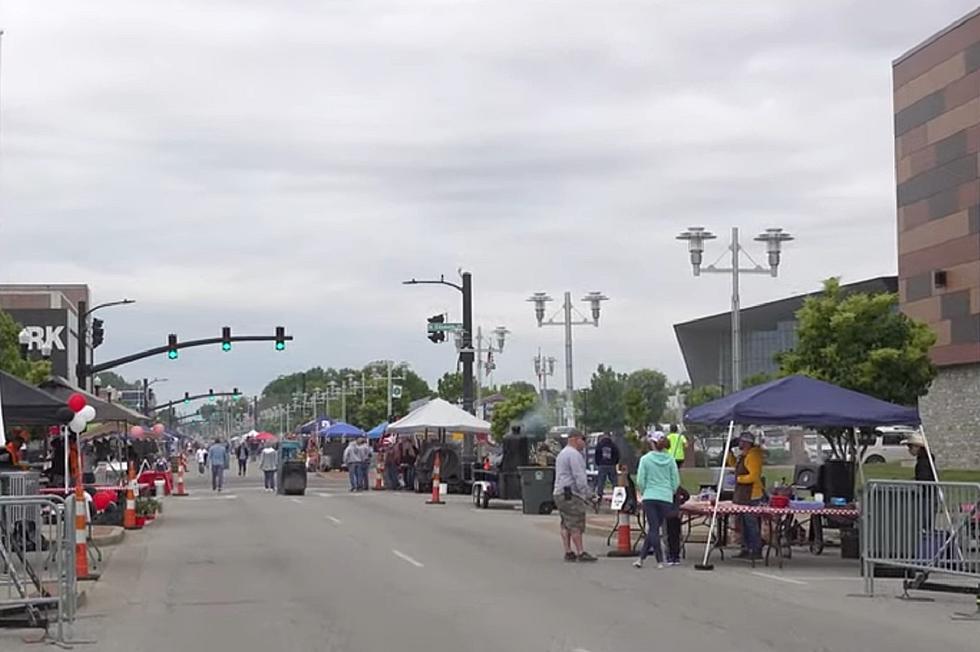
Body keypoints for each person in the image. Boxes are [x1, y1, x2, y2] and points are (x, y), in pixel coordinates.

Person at [633, 431, 682, 569]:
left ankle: (659, 559)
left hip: (650, 496)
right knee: (655, 528)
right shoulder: (671, 459)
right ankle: (641, 558)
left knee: (653, 528)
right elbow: (676, 480)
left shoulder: (645, 459)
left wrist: (643, 492)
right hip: (665, 497)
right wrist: (670, 491)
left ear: (652, 443)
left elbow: (640, 480)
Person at [552, 430, 597, 562]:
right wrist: (589, 495)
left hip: (559, 492)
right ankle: (580, 552)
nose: (584, 443)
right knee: (576, 522)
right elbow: (579, 477)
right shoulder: (574, 455)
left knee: (565, 523)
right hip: (570, 493)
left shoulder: (562, 454)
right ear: (575, 439)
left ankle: (568, 551)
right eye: (583, 439)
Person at [731, 431, 765, 559]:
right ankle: (745, 547)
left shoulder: (753, 456)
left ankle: (756, 549)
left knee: (752, 523)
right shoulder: (744, 455)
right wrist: (729, 453)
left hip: (752, 494)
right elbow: (735, 465)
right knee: (743, 524)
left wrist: (739, 479)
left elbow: (754, 476)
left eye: (741, 441)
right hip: (742, 495)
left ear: (746, 443)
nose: (739, 443)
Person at [593, 433, 620, 501]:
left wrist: (598, 463)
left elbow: (597, 455)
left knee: (601, 482)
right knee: (614, 482)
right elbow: (617, 455)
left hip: (602, 465)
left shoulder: (599, 445)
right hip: (611, 465)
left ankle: (599, 496)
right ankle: (617, 496)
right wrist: (614, 463)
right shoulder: (613, 445)